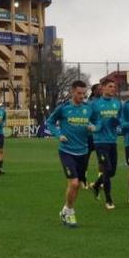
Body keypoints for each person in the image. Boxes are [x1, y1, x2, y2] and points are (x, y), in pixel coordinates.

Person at [46, 80, 99, 228]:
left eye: (84, 93)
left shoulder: (89, 108)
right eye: (79, 93)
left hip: (83, 152)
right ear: (72, 92)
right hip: (67, 151)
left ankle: (66, 210)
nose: (82, 96)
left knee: (78, 186)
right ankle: (69, 211)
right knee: (74, 183)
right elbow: (49, 122)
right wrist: (58, 135)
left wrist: (93, 127)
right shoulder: (63, 108)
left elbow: (97, 122)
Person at [89, 78, 122, 210]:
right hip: (100, 141)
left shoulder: (118, 104)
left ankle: (96, 185)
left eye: (114, 86)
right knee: (107, 169)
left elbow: (120, 119)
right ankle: (108, 200)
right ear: (102, 88)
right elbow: (87, 119)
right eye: (110, 86)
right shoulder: (94, 104)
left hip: (112, 141)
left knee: (112, 171)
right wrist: (93, 127)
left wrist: (117, 123)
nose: (112, 89)